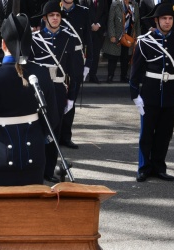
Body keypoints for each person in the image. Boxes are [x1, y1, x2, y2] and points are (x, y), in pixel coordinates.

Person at [0, 13, 58, 198]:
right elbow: (52, 120)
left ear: (3, 44)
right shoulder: (42, 73)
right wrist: (43, 145)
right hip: (34, 157)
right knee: (28, 218)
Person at [130, 2, 174, 182]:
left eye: (170, 18)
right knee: (146, 134)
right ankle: (143, 167)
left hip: (170, 93)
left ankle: (159, 167)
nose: (167, 22)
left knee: (164, 134)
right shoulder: (145, 41)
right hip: (150, 93)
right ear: (156, 20)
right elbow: (136, 72)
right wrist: (135, 96)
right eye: (164, 18)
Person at [30, 0, 79, 183]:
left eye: (58, 15)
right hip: (39, 90)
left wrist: (72, 96)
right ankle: (35, 168)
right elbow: (29, 67)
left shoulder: (68, 38)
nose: (55, 18)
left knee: (54, 131)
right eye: (52, 15)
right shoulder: (35, 39)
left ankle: (49, 169)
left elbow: (74, 71)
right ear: (45, 18)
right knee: (37, 129)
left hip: (59, 89)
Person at [59, 0, 90, 150]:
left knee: (71, 100)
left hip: (76, 59)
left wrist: (88, 63)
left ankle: (66, 136)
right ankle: (54, 135)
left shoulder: (83, 12)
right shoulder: (53, 11)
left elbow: (88, 39)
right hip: (58, 59)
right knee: (56, 99)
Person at [102, 0, 139, 83]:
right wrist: (112, 35)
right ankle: (110, 76)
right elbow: (111, 20)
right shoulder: (115, 4)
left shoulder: (135, 5)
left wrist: (138, 37)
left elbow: (137, 23)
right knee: (113, 57)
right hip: (117, 36)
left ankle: (124, 76)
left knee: (126, 58)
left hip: (129, 36)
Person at [80, 0, 111, 84]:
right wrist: (91, 25)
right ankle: (81, 75)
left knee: (96, 54)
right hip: (86, 32)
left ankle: (93, 75)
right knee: (84, 54)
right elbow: (82, 13)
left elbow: (105, 13)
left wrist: (99, 24)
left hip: (98, 32)